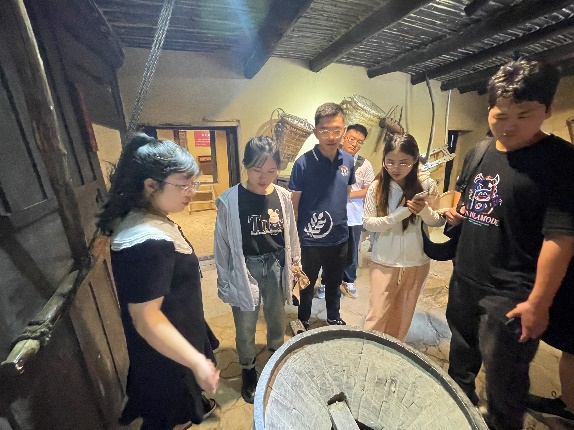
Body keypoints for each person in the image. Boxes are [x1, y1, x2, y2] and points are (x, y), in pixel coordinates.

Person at [443, 60, 574, 430]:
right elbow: (477, 204)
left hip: (513, 294)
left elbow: (561, 237)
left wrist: (539, 303)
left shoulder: (561, 161)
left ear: (547, 110)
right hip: (465, 279)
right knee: (459, 369)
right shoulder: (479, 150)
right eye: (500, 115)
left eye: (524, 114)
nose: (509, 125)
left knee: (504, 387)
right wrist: (460, 216)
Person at [96, 133, 220, 430]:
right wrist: (196, 362)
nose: (192, 192)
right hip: (167, 355)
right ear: (151, 185)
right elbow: (147, 319)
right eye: (184, 185)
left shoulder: (147, 215)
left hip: (176, 330)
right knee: (165, 414)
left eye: (194, 183)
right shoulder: (148, 241)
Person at [214, 136, 301, 404]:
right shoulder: (230, 200)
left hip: (276, 264)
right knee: (245, 324)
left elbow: (291, 234)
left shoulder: (283, 196)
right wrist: (224, 280)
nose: (264, 178)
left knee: (277, 317)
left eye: (271, 171)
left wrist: (295, 265)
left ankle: (276, 357)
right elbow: (221, 244)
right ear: (245, 165)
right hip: (245, 267)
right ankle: (248, 369)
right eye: (257, 170)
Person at [362, 134, 444, 341]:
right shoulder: (377, 187)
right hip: (384, 260)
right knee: (376, 316)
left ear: (415, 160)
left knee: (403, 316)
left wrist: (423, 210)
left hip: (417, 262)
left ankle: (392, 352)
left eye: (403, 162)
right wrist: (400, 214)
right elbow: (368, 223)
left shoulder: (427, 185)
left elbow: (437, 221)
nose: (395, 168)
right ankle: (368, 351)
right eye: (390, 162)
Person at [289, 102, 355, 329]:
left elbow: (346, 193)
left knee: (334, 282)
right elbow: (294, 205)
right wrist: (295, 239)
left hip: (339, 236)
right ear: (316, 132)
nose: (331, 136)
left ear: (344, 130)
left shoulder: (348, 161)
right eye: (325, 130)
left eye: (337, 130)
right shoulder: (303, 163)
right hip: (310, 239)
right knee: (306, 283)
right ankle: (303, 319)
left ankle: (333, 316)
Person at [317, 124, 374, 299]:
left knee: (351, 251)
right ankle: (326, 282)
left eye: (360, 142)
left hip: (354, 216)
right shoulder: (330, 158)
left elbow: (370, 189)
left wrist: (348, 194)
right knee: (329, 251)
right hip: (332, 216)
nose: (354, 144)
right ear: (343, 137)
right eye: (351, 139)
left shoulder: (365, 164)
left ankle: (348, 280)